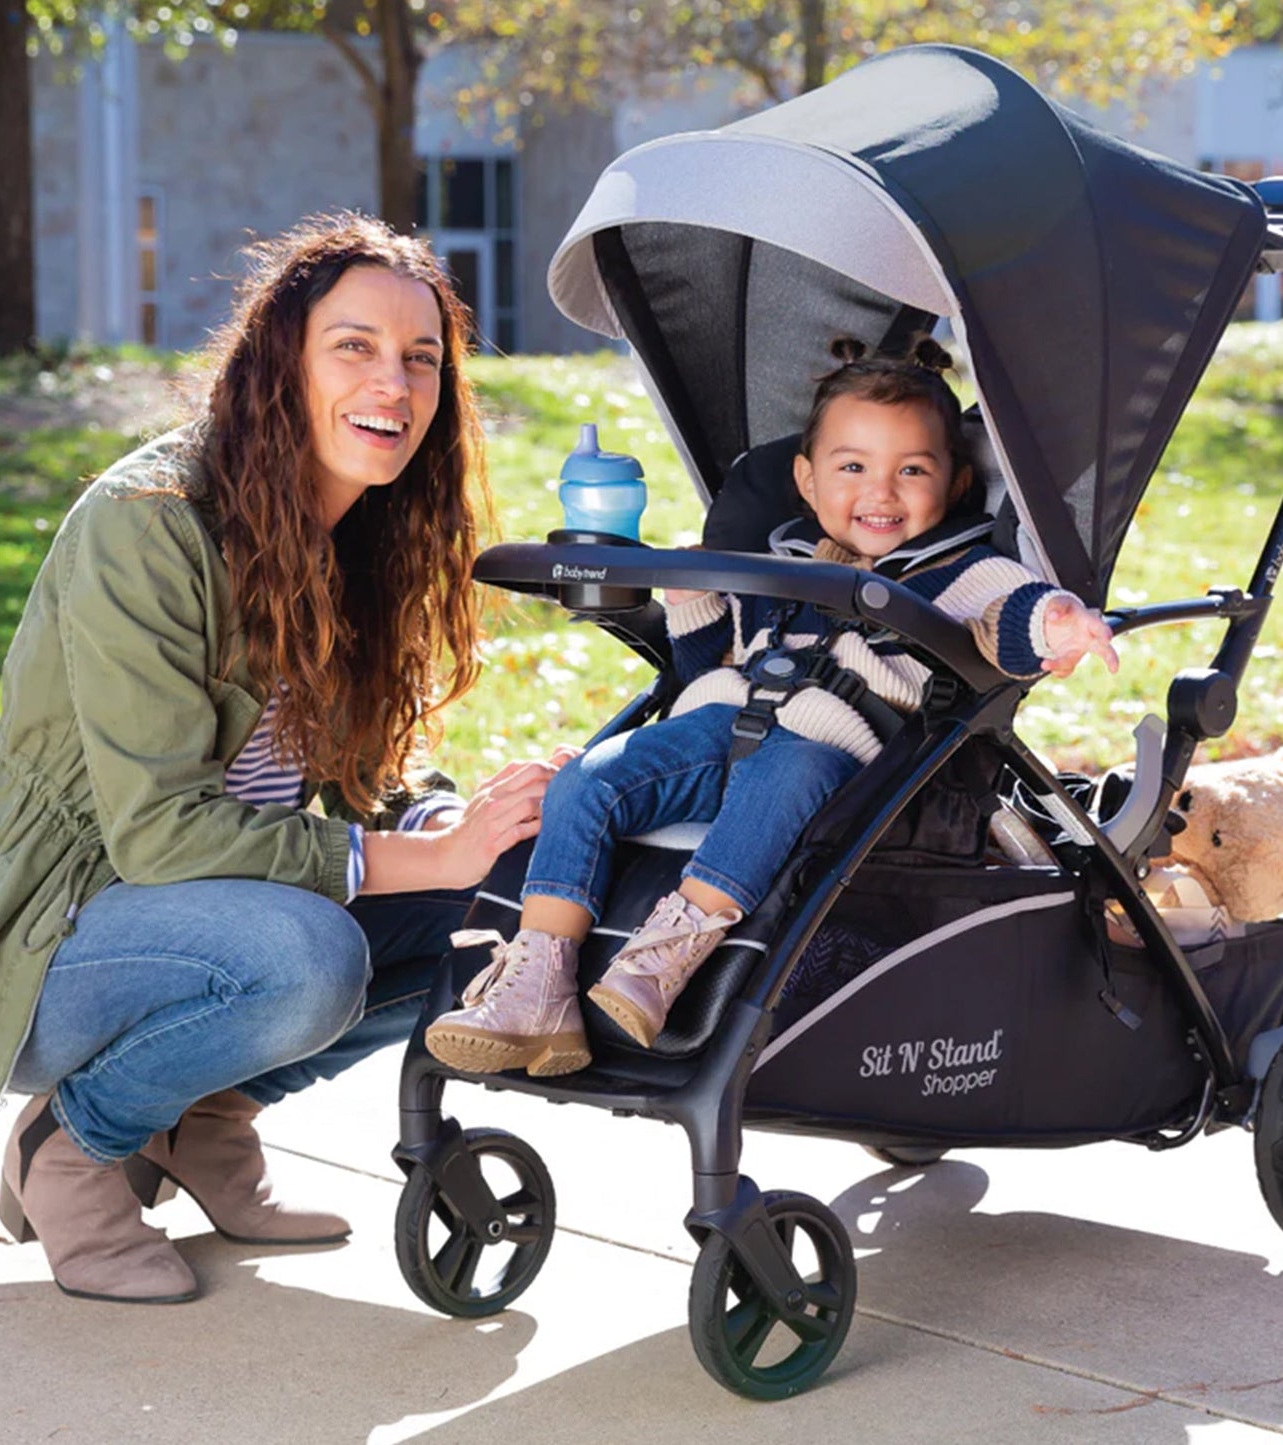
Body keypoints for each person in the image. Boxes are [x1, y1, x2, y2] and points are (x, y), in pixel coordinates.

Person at [0, 213, 564, 1305]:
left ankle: (202, 1120)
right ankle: (75, 1144)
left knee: (494, 905)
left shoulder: (358, 534)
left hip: (207, 921)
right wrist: (403, 860)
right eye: (355, 346)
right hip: (53, 934)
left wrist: (446, 827)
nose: (395, 380)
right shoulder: (148, 527)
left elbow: (359, 776)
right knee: (310, 954)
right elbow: (161, 832)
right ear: (281, 359)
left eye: (420, 357)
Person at [424, 337, 1118, 1078]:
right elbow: (701, 669)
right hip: (718, 724)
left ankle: (663, 957)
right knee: (587, 782)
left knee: (781, 773)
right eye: (852, 467)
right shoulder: (777, 560)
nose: (880, 493)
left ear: (952, 487)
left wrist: (1059, 620)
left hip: (832, 751)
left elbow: (1011, 614)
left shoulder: (963, 569)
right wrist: (691, 604)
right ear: (806, 480)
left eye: (911, 471)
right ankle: (538, 981)